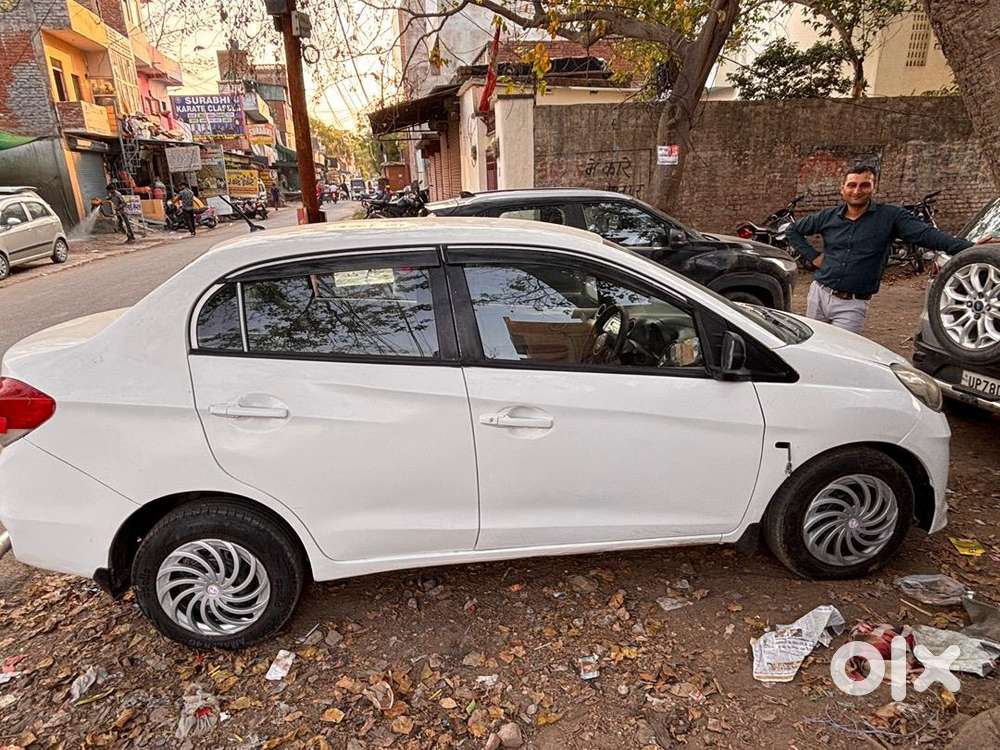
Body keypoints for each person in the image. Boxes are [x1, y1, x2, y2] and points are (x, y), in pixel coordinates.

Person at [786, 164, 983, 334]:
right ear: (843, 189)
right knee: (813, 348)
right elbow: (793, 230)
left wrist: (973, 249)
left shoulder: (890, 217)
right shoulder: (828, 216)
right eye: (852, 185)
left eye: (864, 185)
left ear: (873, 188)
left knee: (841, 354)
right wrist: (813, 257)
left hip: (852, 305)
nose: (857, 191)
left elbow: (929, 236)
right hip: (819, 295)